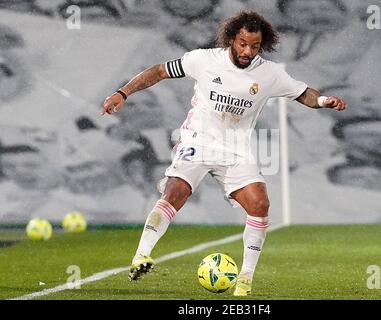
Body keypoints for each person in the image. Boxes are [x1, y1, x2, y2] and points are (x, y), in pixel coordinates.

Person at [101, 10, 346, 296]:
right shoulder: (203, 60)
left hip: (235, 150)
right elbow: (158, 71)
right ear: (232, 39)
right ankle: (141, 255)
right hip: (198, 141)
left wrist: (325, 100)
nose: (248, 51)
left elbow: (303, 92)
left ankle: (245, 278)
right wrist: (122, 93)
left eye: (255, 46)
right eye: (243, 44)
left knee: (260, 204)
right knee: (175, 191)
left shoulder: (269, 73)